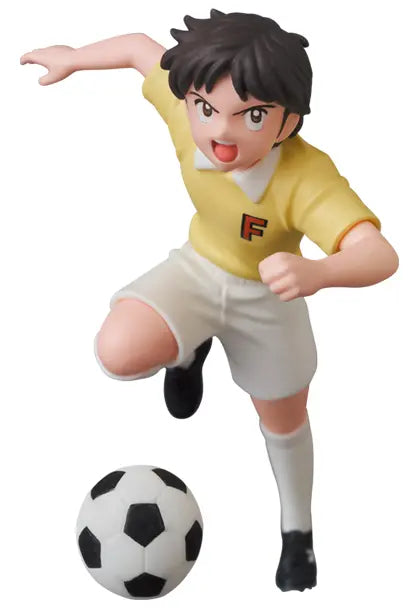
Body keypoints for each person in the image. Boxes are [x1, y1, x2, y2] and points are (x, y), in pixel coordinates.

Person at [21, 9, 399, 592]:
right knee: (117, 352)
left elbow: (379, 254)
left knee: (284, 420)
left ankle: (297, 530)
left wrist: (318, 271)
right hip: (197, 270)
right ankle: (187, 349)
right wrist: (74, 57)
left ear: (289, 120)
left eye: (252, 115)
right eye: (205, 107)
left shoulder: (307, 176)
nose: (222, 132)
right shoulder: (188, 116)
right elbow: (139, 48)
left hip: (269, 298)